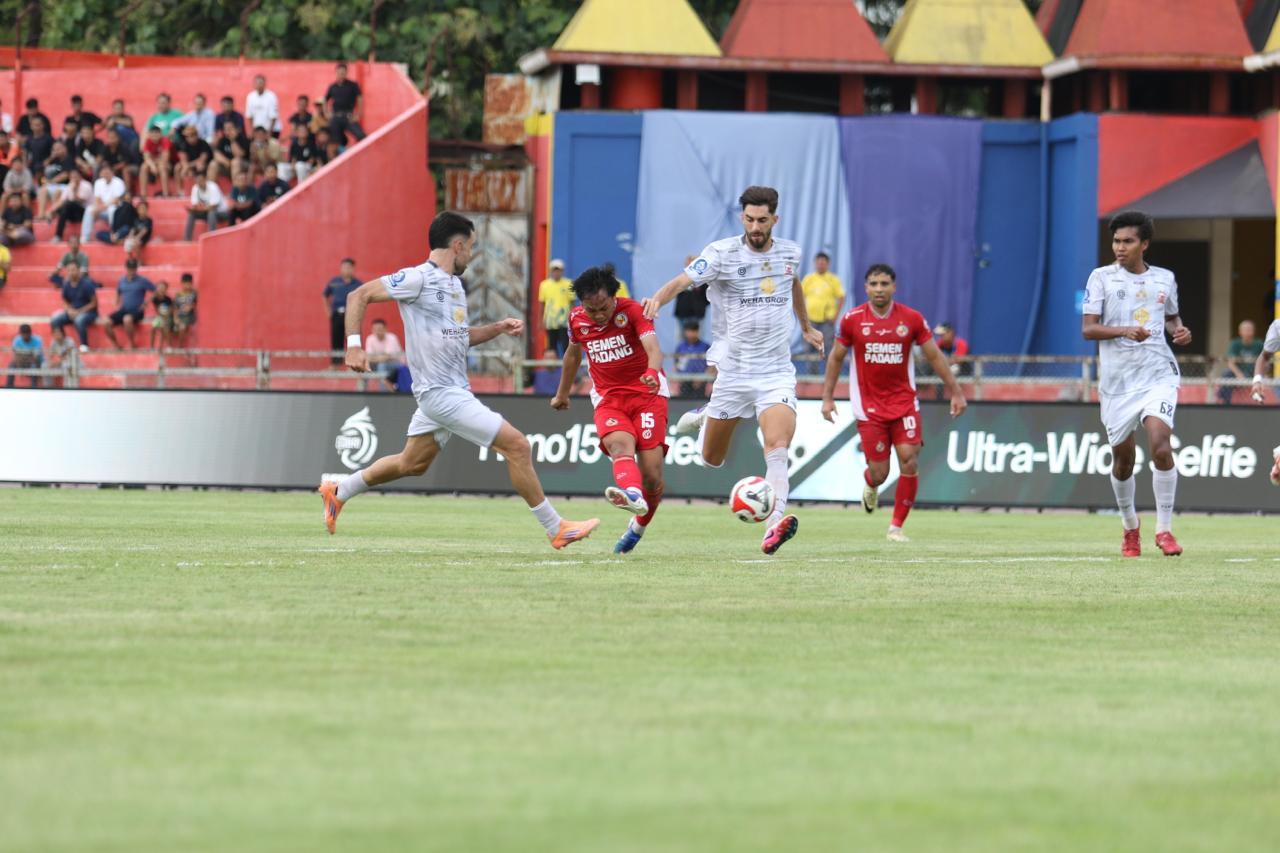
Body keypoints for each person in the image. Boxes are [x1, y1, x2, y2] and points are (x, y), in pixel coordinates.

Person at [318, 210, 600, 550]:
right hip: (442, 394)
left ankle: (339, 490)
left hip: (446, 391)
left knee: (412, 463)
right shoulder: (418, 278)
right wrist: (353, 347)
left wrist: (496, 328)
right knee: (518, 446)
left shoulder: (454, 286)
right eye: (471, 247)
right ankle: (556, 527)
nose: (471, 254)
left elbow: (458, 336)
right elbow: (357, 296)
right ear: (457, 245)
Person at [643, 185, 825, 555]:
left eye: (762, 220)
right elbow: (682, 281)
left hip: (775, 371)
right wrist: (657, 301)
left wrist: (805, 327)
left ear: (775, 219)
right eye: (749, 219)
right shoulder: (721, 254)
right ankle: (708, 413)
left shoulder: (790, 252)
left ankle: (774, 527)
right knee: (711, 459)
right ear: (741, 218)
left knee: (777, 446)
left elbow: (794, 284)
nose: (755, 227)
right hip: (734, 372)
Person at [820, 263, 967, 542]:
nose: (879, 289)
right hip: (869, 407)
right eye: (873, 284)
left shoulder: (910, 319)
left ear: (894, 287)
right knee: (880, 472)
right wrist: (827, 397)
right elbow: (836, 358)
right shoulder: (852, 320)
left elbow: (935, 355)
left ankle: (896, 527)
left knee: (909, 460)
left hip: (904, 403)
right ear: (865, 288)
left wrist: (956, 392)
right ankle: (870, 483)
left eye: (884, 284)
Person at [1083, 211, 1192, 558]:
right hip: (1118, 383)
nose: (1120, 247)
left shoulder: (1164, 279)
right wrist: (1124, 330)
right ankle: (1131, 528)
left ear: (1144, 244)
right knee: (1123, 461)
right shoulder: (1100, 278)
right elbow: (1089, 329)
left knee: (1161, 445)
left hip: (1158, 373)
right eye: (1116, 241)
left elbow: (1172, 315)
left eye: (1127, 241)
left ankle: (1164, 530)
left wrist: (1179, 329)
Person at [551, 263, 668, 554]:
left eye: (604, 307)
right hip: (608, 398)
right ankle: (631, 492)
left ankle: (638, 525)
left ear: (614, 296)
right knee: (619, 446)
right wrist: (562, 393)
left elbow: (653, 348)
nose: (599, 315)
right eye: (592, 310)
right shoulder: (577, 319)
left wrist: (652, 373)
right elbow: (572, 354)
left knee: (652, 474)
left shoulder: (633, 312)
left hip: (647, 394)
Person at [800, 251, 844, 375]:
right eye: (818, 263)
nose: (821, 265)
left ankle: (829, 374)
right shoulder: (809, 279)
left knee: (829, 348)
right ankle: (812, 375)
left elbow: (841, 297)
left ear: (828, 264)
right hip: (811, 321)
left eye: (823, 263)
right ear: (815, 264)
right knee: (810, 348)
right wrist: (803, 317)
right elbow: (800, 296)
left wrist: (835, 316)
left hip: (827, 321)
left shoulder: (833, 279)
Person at [103, 257, 155, 350]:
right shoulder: (122, 280)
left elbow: (156, 291)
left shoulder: (142, 280)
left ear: (136, 268)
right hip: (124, 309)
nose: (131, 270)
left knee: (127, 319)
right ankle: (116, 345)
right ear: (126, 268)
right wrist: (117, 303)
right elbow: (119, 292)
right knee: (106, 322)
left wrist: (146, 303)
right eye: (129, 268)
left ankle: (132, 344)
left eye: (133, 268)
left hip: (137, 310)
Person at [49, 260, 99, 351]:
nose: (71, 272)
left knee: (79, 320)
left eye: (73, 270)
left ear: (79, 270)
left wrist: (79, 312)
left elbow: (94, 303)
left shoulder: (87, 284)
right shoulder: (66, 284)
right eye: (69, 270)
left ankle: (84, 345)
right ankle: (62, 343)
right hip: (73, 312)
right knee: (55, 320)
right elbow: (65, 301)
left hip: (89, 313)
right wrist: (69, 310)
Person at [323, 258, 362, 364]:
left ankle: (354, 364)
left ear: (353, 269)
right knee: (336, 339)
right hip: (336, 314)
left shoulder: (358, 284)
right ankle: (335, 365)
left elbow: (363, 299)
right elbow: (325, 295)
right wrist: (328, 311)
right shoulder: (334, 282)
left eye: (349, 267)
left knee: (352, 340)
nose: (346, 270)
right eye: (344, 267)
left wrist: (359, 314)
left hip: (352, 315)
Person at [1219, 320, 1263, 405]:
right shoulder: (1235, 344)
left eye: (1249, 329)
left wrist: (1261, 375)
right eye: (1245, 329)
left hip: (1254, 374)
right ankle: (1225, 402)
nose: (1247, 332)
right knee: (1226, 373)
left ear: (1254, 331)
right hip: (1239, 374)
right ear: (1240, 332)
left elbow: (1265, 362)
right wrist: (1239, 375)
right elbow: (1230, 362)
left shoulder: (1259, 344)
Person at [82, 162, 126, 243]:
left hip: (116, 210)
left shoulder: (118, 182)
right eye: (104, 172)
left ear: (112, 172)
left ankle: (114, 234)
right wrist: (97, 209)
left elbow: (116, 200)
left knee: (112, 210)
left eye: (108, 172)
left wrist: (101, 208)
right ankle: (85, 237)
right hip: (103, 209)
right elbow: (98, 199)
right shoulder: (98, 182)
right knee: (89, 209)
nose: (106, 174)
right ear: (101, 173)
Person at [538, 259, 574, 357]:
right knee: (551, 348)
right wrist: (541, 320)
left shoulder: (569, 284)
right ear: (550, 271)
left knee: (566, 346)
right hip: (551, 322)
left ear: (562, 271)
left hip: (564, 322)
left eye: (558, 270)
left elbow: (572, 304)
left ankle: (567, 368)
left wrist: (573, 320)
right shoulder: (544, 285)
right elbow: (542, 304)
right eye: (554, 270)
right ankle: (553, 371)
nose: (556, 272)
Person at [325, 62, 365, 145]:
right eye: (339, 72)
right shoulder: (332, 86)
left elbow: (360, 99)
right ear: (336, 73)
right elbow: (325, 100)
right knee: (334, 141)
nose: (341, 74)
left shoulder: (353, 85)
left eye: (343, 72)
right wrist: (326, 113)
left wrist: (358, 115)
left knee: (361, 136)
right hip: (335, 117)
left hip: (348, 116)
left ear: (346, 73)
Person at [673, 319, 712, 398]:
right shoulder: (681, 347)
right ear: (685, 332)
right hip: (684, 382)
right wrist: (678, 378)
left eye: (694, 330)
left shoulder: (705, 347)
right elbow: (676, 364)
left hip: (700, 382)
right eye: (689, 331)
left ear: (698, 331)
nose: (691, 333)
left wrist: (702, 378)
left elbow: (711, 366)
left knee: (699, 405)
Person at [183, 170, 227, 239]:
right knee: (191, 214)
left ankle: (211, 238)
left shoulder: (213, 187)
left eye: (201, 180)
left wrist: (199, 209)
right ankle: (187, 239)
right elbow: (195, 205)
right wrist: (192, 209)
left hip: (222, 213)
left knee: (211, 212)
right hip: (206, 212)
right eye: (197, 181)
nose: (199, 183)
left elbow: (213, 207)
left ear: (205, 179)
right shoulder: (195, 188)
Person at [364, 318, 403, 390]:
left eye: (379, 329)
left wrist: (375, 358)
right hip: (378, 363)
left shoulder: (392, 338)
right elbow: (368, 357)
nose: (377, 331)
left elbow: (387, 357)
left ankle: (383, 393)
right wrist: (379, 358)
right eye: (375, 329)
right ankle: (362, 393)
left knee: (382, 366)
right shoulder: (370, 338)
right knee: (364, 367)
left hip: (397, 364)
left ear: (385, 329)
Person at [51, 172, 92, 242]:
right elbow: (62, 200)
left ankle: (58, 235)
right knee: (62, 209)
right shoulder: (70, 185)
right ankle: (58, 236)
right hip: (72, 213)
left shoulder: (86, 185)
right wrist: (51, 211)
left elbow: (79, 201)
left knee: (69, 204)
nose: (74, 179)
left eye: (75, 177)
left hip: (84, 214)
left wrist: (74, 190)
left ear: (80, 177)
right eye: (72, 177)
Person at [173, 125, 214, 193]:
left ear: (196, 135)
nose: (189, 138)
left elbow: (202, 159)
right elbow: (183, 159)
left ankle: (202, 190)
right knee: (177, 167)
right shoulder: (184, 144)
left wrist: (187, 167)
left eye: (192, 135)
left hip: (205, 165)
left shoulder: (203, 143)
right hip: (190, 165)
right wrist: (186, 168)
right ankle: (179, 191)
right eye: (187, 136)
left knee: (199, 165)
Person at [139, 125, 173, 198]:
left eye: (156, 133)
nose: (154, 135)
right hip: (154, 163)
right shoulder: (148, 141)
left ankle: (165, 193)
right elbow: (146, 157)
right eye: (152, 133)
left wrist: (154, 163)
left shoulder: (165, 140)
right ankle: (143, 194)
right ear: (149, 134)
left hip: (168, 164)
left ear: (161, 134)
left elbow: (165, 158)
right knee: (143, 167)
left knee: (162, 167)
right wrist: (152, 166)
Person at [6, 323, 42, 388]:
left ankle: (34, 387)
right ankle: (9, 387)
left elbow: (35, 358)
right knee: (11, 366)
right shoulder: (17, 340)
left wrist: (23, 357)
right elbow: (16, 356)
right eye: (23, 334)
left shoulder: (37, 340)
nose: (25, 336)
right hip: (21, 362)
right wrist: (22, 359)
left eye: (27, 334)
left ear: (30, 333)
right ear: (21, 334)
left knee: (34, 367)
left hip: (34, 362)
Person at [174, 274, 197, 347]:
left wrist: (191, 306)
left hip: (189, 316)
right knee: (174, 327)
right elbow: (175, 307)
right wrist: (175, 318)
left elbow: (197, 303)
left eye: (189, 284)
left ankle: (180, 346)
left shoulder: (194, 293)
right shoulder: (178, 294)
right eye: (185, 284)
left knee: (182, 327)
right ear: (182, 283)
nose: (187, 286)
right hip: (180, 315)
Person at [149, 280, 174, 349]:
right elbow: (157, 310)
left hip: (167, 317)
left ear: (166, 290)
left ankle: (169, 346)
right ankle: (151, 346)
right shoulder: (155, 299)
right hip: (160, 317)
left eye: (163, 288)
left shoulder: (168, 299)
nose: (161, 290)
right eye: (159, 288)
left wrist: (167, 316)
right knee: (153, 328)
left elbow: (171, 309)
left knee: (165, 328)